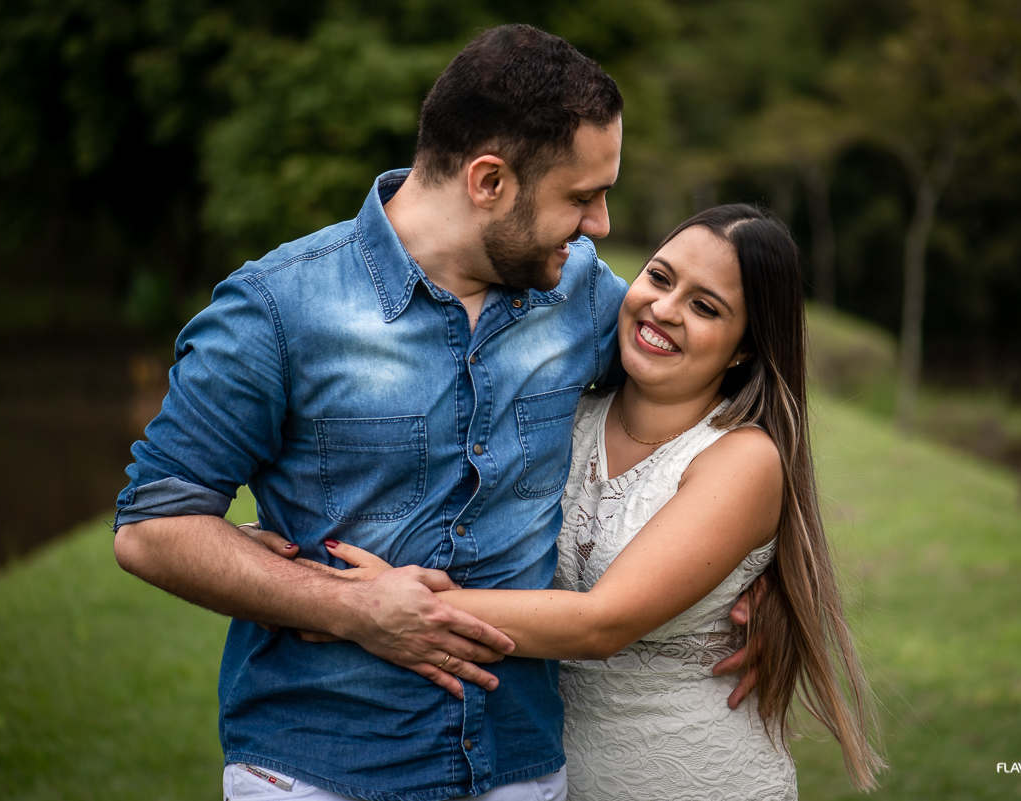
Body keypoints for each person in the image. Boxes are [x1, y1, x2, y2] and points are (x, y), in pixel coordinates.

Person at [113, 24, 756, 801]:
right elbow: (152, 527)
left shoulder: (582, 295)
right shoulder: (277, 309)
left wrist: (758, 583)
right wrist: (348, 604)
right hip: (319, 770)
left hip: (522, 770)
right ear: (489, 181)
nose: (601, 225)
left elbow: (733, 399)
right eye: (581, 197)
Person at [291, 205, 886, 798]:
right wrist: (289, 538)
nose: (664, 309)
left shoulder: (742, 458)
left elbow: (603, 623)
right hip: (539, 769)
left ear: (744, 349)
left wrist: (377, 608)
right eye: (659, 277)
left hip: (690, 776)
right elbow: (443, 510)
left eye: (706, 307)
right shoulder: (562, 416)